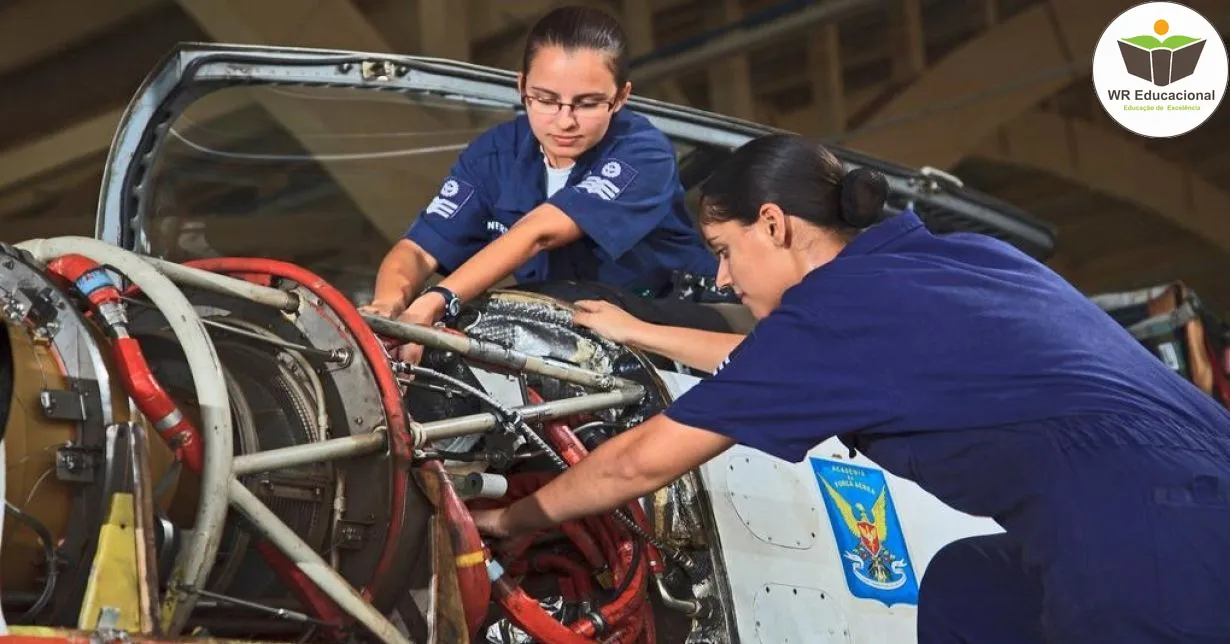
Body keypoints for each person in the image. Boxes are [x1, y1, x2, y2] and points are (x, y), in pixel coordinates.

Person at [470, 133, 1230, 643]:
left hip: (1144, 538)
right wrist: (646, 335)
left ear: (773, 224)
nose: (723, 277)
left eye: (724, 251)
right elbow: (784, 363)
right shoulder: (956, 261)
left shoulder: (831, 322)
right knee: (971, 588)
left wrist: (511, 521)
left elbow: (640, 464)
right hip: (1198, 498)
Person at [363, 5, 717, 357]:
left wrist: (439, 300)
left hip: (675, 326)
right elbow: (418, 250)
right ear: (521, 86)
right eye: (546, 100)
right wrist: (389, 310)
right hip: (573, 340)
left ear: (621, 97)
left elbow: (540, 232)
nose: (564, 121)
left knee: (552, 307)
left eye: (587, 104)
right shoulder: (493, 156)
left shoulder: (643, 151)